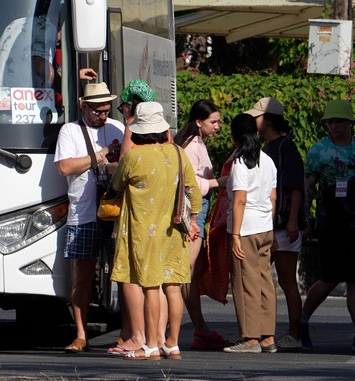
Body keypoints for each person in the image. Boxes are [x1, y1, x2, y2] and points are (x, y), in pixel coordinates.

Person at [110, 101, 202, 360]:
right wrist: (193, 220)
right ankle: (172, 343)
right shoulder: (177, 152)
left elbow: (117, 184)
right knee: (173, 287)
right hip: (173, 230)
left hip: (143, 231)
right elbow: (193, 190)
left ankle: (150, 345)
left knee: (151, 287)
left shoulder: (133, 157)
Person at [300, 99, 355, 352]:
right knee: (329, 278)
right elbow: (308, 189)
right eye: (330, 121)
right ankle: (302, 321)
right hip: (329, 224)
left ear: (350, 123)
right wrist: (307, 223)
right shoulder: (318, 151)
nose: (333, 125)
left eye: (338, 121)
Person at [54, 82, 124, 353]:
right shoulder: (70, 130)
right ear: (84, 105)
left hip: (114, 212)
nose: (103, 115)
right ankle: (81, 335)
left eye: (106, 110)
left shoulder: (118, 128)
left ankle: (127, 334)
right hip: (82, 212)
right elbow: (65, 167)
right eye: (97, 110)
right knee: (81, 277)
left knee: (124, 276)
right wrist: (101, 156)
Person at [247, 97, 306, 350]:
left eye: (257, 117)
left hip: (282, 225)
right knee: (265, 279)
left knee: (285, 280)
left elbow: (296, 187)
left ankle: (294, 333)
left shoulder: (285, 147)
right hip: (271, 224)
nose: (254, 121)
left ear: (268, 120)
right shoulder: (268, 147)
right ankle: (262, 332)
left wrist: (293, 220)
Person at [107, 79, 160, 356]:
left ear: (131, 105)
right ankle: (159, 338)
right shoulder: (164, 134)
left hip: (135, 209)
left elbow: (125, 167)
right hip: (161, 212)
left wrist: (109, 163)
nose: (122, 112)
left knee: (128, 274)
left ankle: (134, 336)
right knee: (158, 280)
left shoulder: (133, 126)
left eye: (123, 107)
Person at [173, 100, 229, 350]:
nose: (218, 126)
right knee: (186, 272)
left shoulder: (195, 142)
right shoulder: (189, 145)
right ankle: (196, 328)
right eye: (213, 122)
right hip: (193, 209)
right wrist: (219, 182)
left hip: (198, 207)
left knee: (191, 273)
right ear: (198, 122)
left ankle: (200, 328)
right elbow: (188, 180)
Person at [224, 113, 278, 354]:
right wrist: (271, 227)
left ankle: (250, 338)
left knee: (245, 282)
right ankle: (268, 336)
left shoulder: (240, 162)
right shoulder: (267, 160)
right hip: (265, 227)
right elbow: (273, 198)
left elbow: (240, 201)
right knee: (264, 281)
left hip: (245, 229)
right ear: (256, 134)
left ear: (235, 137)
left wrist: (235, 234)